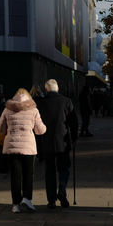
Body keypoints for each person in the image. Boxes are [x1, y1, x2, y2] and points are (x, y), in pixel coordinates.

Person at [0, 88, 46, 213]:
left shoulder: (7, 109)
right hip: (28, 147)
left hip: (11, 147)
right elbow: (40, 130)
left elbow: (0, 129)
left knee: (15, 175)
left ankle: (15, 205)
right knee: (28, 174)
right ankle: (27, 199)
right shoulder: (33, 110)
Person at [37, 79, 79, 208]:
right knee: (64, 168)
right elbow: (73, 122)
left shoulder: (41, 103)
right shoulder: (66, 101)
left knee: (49, 170)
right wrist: (74, 138)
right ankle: (62, 190)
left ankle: (51, 199)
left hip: (47, 142)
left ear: (46, 90)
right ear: (58, 89)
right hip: (63, 141)